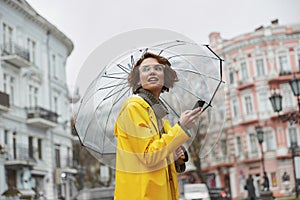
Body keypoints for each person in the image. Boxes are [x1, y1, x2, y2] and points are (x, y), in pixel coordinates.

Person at [113, 52, 202, 200]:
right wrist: (181, 127)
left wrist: (177, 158)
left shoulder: (158, 117)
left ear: (165, 78)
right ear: (138, 81)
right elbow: (149, 157)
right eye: (146, 69)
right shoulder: (133, 107)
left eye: (158, 68)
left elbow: (159, 161)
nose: (153, 71)